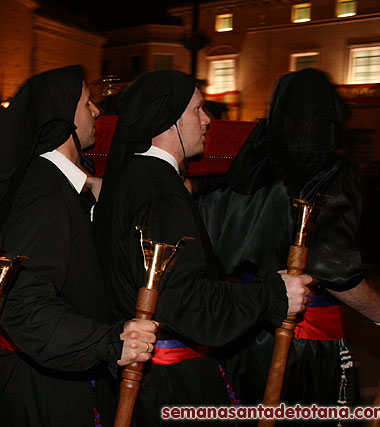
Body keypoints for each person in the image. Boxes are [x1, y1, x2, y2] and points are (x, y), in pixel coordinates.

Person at [93, 70, 311, 426]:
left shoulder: (136, 178)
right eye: (198, 110)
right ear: (169, 119)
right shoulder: (161, 192)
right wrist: (274, 294)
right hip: (169, 386)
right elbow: (183, 302)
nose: (208, 120)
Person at [197, 68, 380, 414]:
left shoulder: (245, 167)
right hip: (303, 341)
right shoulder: (333, 172)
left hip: (241, 333)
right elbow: (331, 265)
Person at [0, 65, 157, 426]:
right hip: (38, 387)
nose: (97, 111)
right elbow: (24, 305)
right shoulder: (45, 195)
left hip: (49, 373)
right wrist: (108, 342)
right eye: (87, 103)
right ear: (63, 116)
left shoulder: (51, 183)